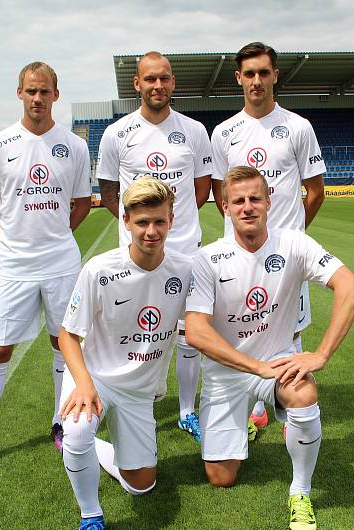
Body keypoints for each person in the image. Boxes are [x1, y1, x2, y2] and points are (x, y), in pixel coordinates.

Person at [185, 166, 354, 530]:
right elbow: (196, 332)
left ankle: (300, 491)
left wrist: (321, 354)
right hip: (225, 374)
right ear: (224, 207)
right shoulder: (207, 259)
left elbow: (352, 288)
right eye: (238, 201)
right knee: (221, 478)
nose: (247, 207)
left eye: (255, 198)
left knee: (302, 390)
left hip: (276, 363)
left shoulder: (294, 243)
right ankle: (250, 427)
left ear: (270, 201)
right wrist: (254, 366)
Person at [0, 61, 92, 480]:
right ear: (19, 92)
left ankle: (58, 421)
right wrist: (12, 239)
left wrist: (55, 236)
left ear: (56, 94)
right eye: (30, 91)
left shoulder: (73, 146)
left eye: (45, 91)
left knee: (63, 343)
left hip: (61, 263)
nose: (38, 98)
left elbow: (83, 202)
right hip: (14, 265)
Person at [58, 177, 192, 530]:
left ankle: (100, 449)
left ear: (172, 221)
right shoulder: (99, 270)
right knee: (77, 430)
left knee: (142, 484)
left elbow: (203, 325)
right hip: (96, 378)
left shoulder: (185, 270)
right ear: (126, 221)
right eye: (143, 222)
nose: (151, 231)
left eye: (159, 221)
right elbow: (67, 336)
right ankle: (90, 515)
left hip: (138, 391)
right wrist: (84, 384)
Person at [210, 42, 328, 436]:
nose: (257, 80)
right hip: (238, 259)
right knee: (237, 327)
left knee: (288, 332)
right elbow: (219, 194)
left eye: (264, 72)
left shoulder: (298, 127)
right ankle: (247, 403)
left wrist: (290, 238)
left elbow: (315, 191)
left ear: (275, 75)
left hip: (284, 260)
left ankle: (288, 401)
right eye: (250, 73)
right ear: (238, 78)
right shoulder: (224, 132)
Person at [97, 51, 213, 443]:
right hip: (135, 255)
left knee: (188, 332)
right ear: (138, 84)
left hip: (185, 250)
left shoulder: (195, 130)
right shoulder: (117, 134)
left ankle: (185, 411)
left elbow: (202, 187)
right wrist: (138, 231)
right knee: (131, 329)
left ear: (173, 82)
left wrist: (171, 228)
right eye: (150, 79)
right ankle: (131, 401)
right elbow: (109, 190)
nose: (157, 86)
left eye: (164, 78)